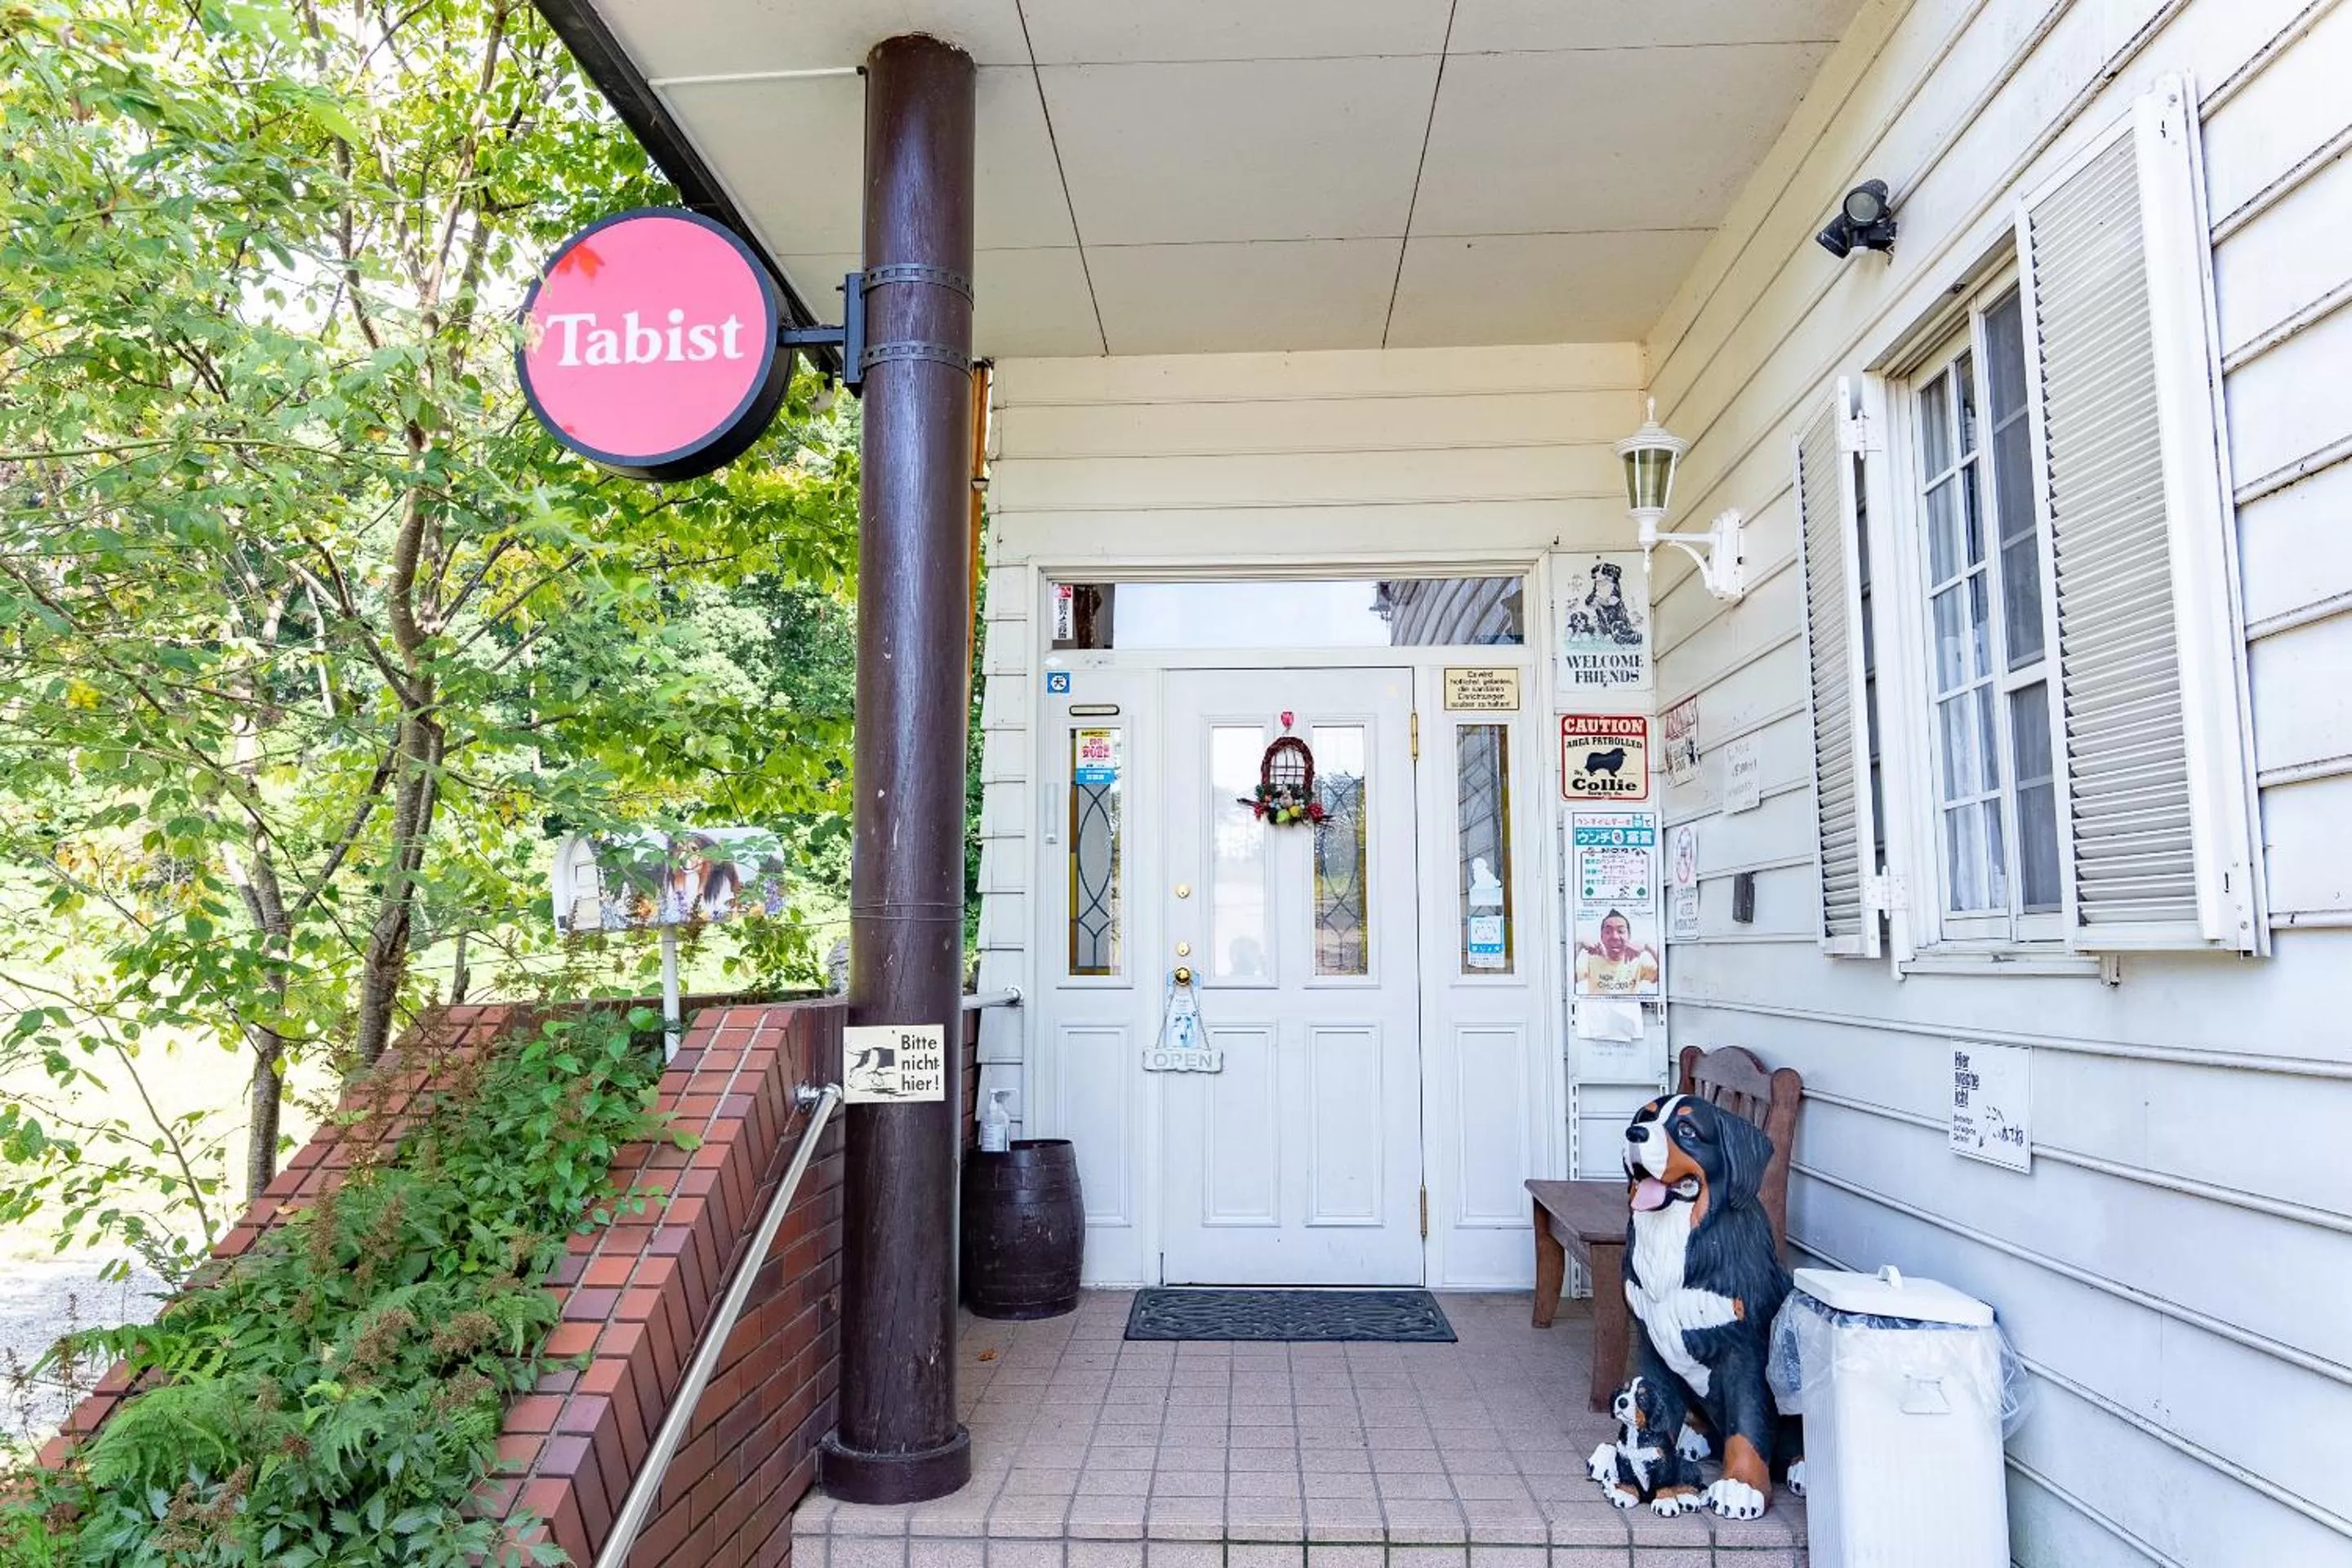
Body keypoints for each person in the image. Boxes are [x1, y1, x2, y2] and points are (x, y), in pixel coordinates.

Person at [1577, 908, 1659, 994]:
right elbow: (1566, 979)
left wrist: (1648, 946)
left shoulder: (1638, 961)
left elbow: (1667, 976)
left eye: (1620, 931)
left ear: (1629, 936)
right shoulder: (1590, 960)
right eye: (1608, 932)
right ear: (1601, 937)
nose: (1615, 937)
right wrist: (1579, 944)